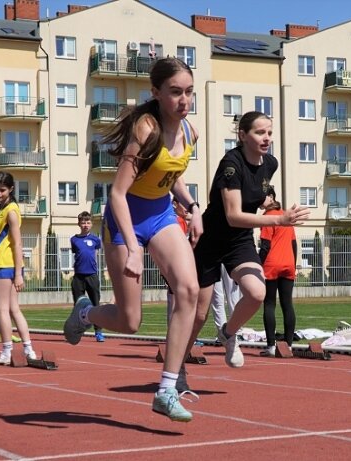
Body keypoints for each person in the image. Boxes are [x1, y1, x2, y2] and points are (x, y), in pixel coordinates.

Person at [62, 57, 203, 422]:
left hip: (160, 215)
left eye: (188, 92)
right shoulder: (145, 129)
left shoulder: (190, 132)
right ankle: (86, 312)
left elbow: (171, 176)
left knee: (188, 289)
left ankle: (167, 389)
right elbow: (118, 194)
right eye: (175, 93)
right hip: (124, 220)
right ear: (156, 93)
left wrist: (193, 206)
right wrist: (133, 249)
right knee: (130, 321)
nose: (183, 100)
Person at [186, 111, 309, 370]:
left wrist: (265, 202)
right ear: (242, 135)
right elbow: (233, 215)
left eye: (269, 133)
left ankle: (228, 334)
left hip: (239, 241)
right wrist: (279, 219)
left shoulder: (270, 164)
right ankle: (178, 370)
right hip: (211, 240)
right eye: (259, 132)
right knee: (199, 313)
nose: (266, 138)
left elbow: (253, 192)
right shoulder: (231, 164)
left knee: (256, 292)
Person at [0, 171, 37, 366]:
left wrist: (18, 273)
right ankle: (28, 349)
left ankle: (6, 352)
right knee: (14, 309)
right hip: (3, 265)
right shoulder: (0, 210)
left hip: (6, 266)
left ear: (11, 189)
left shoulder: (11, 211)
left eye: (2, 190)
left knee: (2, 310)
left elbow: (17, 244)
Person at [259, 188, 298, 357]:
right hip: (288, 263)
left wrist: (258, 264)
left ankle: (271, 346)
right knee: (287, 304)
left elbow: (265, 246)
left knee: (269, 304)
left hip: (271, 265)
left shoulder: (267, 218)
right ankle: (288, 345)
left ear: (271, 197)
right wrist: (293, 264)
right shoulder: (285, 216)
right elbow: (294, 243)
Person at [70, 211, 105, 342]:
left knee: (95, 304)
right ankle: (77, 331)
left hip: (92, 276)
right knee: (78, 306)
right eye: (83, 222)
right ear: (79, 224)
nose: (85, 225)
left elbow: (95, 254)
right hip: (78, 277)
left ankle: (99, 331)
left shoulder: (96, 240)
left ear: (91, 224)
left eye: (88, 222)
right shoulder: (74, 240)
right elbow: (76, 254)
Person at [209, 264, 240, 342]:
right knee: (217, 299)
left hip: (229, 259)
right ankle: (222, 333)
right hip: (213, 260)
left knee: (233, 299)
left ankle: (233, 332)